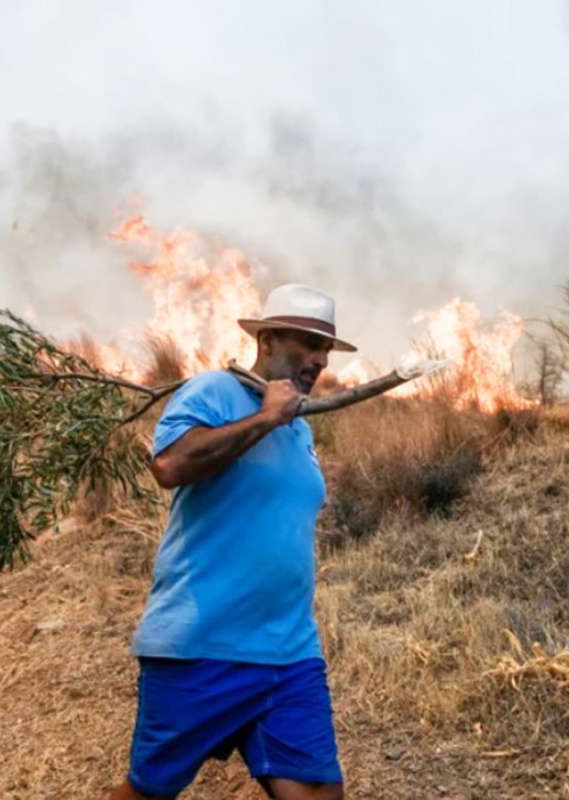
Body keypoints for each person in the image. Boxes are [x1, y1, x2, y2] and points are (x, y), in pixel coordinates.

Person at [107, 284, 358, 800]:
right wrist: (265, 416)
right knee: (148, 792)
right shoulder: (214, 392)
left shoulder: (300, 426)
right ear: (265, 340)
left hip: (289, 651)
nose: (318, 360)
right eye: (307, 345)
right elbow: (170, 465)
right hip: (204, 645)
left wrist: (281, 417)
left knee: (317, 794)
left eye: (325, 351)